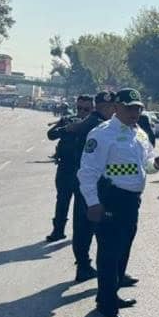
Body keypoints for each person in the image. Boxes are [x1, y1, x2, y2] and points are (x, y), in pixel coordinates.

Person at [78, 89, 159, 317]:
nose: (135, 112)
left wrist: (157, 164)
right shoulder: (102, 134)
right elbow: (88, 172)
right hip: (110, 199)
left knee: (123, 250)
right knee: (109, 253)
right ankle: (107, 307)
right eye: (130, 108)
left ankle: (110, 294)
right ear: (116, 108)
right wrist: (93, 202)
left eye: (138, 108)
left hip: (132, 201)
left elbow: (146, 166)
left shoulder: (139, 134)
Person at [61, 91, 116, 282]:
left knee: (84, 226)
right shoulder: (97, 124)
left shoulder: (92, 123)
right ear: (99, 106)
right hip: (92, 182)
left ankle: (85, 266)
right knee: (90, 227)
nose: (111, 109)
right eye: (107, 106)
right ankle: (88, 267)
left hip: (87, 180)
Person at [44, 95, 94, 243]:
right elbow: (51, 135)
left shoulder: (95, 125)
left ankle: (79, 234)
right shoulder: (68, 120)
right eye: (79, 108)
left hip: (84, 170)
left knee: (81, 204)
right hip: (65, 167)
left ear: (92, 109)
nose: (82, 112)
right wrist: (67, 129)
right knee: (62, 200)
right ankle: (58, 230)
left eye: (86, 109)